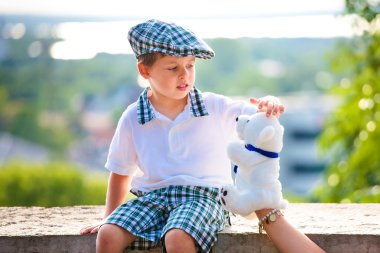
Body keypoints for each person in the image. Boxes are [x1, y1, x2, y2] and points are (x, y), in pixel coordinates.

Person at [80, 19, 325, 253]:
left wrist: (269, 103)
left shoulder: (213, 106)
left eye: (190, 65)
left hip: (205, 197)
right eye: (173, 68)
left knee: (177, 237)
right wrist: (108, 218)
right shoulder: (133, 117)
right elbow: (121, 172)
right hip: (152, 198)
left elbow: (258, 115)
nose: (184, 75)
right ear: (144, 70)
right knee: (108, 235)